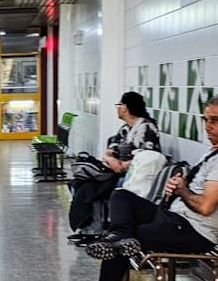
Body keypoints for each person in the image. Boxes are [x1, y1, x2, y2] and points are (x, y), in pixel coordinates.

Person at [67, 93, 218, 281]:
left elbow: (207, 206)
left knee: (116, 244)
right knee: (121, 197)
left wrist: (182, 191)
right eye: (206, 119)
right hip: (174, 219)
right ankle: (120, 235)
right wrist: (181, 187)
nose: (208, 126)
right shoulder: (215, 151)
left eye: (215, 120)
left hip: (193, 232)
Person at [67, 92, 161, 245]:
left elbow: (150, 156)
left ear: (125, 107)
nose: (117, 109)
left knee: (92, 187)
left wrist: (124, 165)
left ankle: (93, 231)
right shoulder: (125, 128)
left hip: (133, 174)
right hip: (116, 170)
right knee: (83, 183)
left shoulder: (146, 128)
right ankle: (89, 230)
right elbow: (110, 150)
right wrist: (112, 160)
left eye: (119, 105)